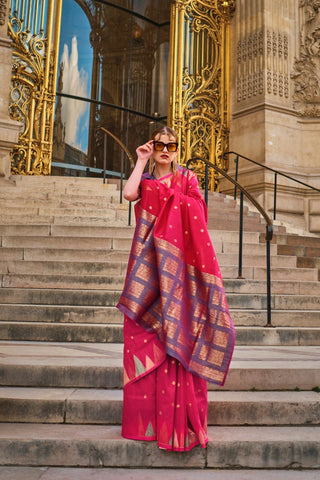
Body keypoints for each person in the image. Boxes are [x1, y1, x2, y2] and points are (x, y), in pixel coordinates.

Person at [117, 126, 235, 452]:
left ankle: (178, 423)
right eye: (159, 145)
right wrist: (140, 161)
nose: (165, 150)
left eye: (171, 145)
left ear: (178, 149)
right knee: (146, 334)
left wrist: (171, 198)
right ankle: (149, 423)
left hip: (179, 270)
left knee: (179, 332)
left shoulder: (188, 179)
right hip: (149, 267)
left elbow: (198, 212)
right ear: (151, 147)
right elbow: (129, 195)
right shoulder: (148, 181)